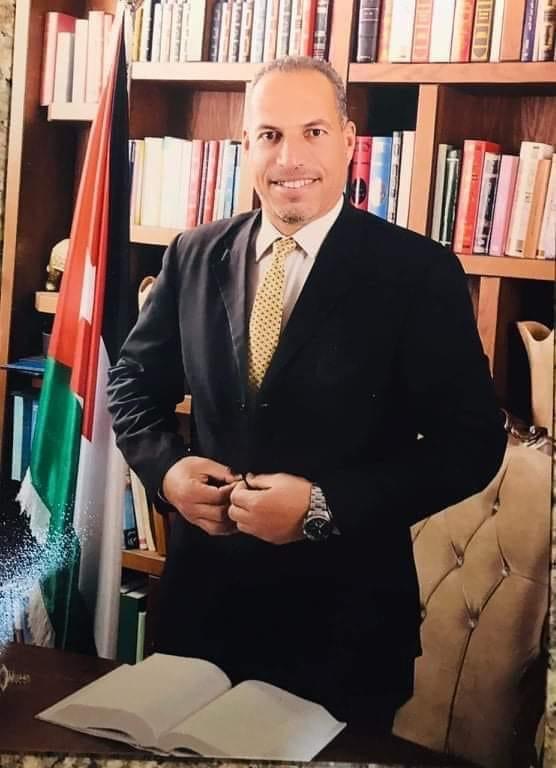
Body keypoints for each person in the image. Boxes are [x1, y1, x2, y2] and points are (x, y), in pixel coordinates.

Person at [107, 56, 507, 734]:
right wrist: (167, 472)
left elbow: (472, 443)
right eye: (269, 135)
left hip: (344, 633)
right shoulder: (192, 254)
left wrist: (323, 508)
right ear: (246, 146)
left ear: (349, 141)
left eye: (313, 132)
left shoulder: (418, 273)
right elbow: (131, 386)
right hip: (199, 616)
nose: (289, 158)